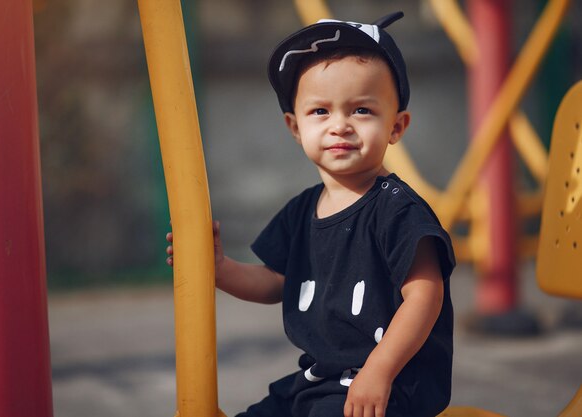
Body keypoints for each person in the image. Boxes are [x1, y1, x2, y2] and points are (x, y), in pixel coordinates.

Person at [166, 11, 455, 417]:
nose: (340, 125)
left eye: (361, 111)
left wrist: (380, 370)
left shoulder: (398, 210)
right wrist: (219, 269)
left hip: (389, 385)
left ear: (396, 126)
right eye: (320, 111)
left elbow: (426, 295)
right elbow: (276, 282)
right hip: (318, 380)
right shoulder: (303, 209)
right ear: (295, 126)